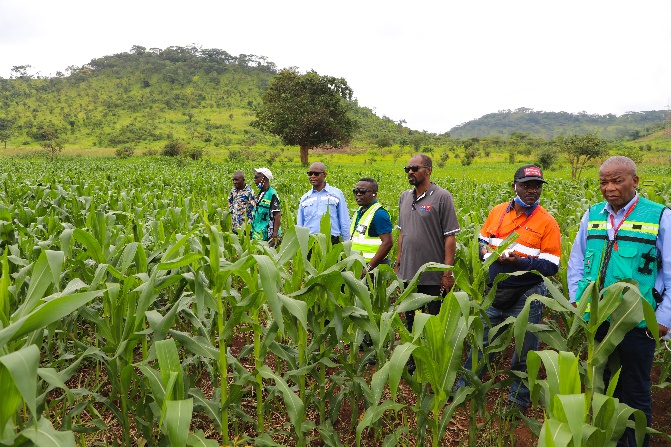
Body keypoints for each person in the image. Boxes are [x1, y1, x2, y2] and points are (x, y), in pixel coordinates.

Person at [568, 156, 671, 447]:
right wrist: (578, 300)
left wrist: (662, 320)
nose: (609, 188)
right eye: (604, 182)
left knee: (635, 392)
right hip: (597, 321)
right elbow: (577, 261)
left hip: (637, 323)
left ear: (634, 181)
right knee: (601, 385)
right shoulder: (592, 215)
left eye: (617, 180)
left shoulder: (660, 216)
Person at [455, 165, 561, 412]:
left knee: (525, 347)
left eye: (536, 186)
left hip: (528, 295)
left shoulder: (547, 222)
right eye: (526, 185)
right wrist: (484, 252)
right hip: (495, 290)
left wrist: (520, 262)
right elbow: (483, 240)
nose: (532, 190)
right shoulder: (498, 212)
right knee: (482, 341)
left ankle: (517, 400)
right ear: (514, 185)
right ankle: (465, 387)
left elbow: (553, 265)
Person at [394, 154, 460, 373]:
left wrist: (447, 273)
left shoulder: (442, 197)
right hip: (408, 272)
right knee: (410, 318)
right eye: (407, 168)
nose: (410, 172)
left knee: (433, 321)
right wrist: (398, 261)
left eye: (415, 168)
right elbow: (402, 233)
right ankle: (413, 357)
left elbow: (450, 237)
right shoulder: (404, 197)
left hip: (433, 274)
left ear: (428, 170)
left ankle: (433, 361)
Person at [297, 162, 351, 245]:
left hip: (331, 240)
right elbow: (300, 224)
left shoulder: (336, 194)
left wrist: (346, 241)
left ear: (324, 174)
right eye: (310, 174)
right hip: (310, 240)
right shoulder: (305, 198)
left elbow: (344, 219)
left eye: (316, 174)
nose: (312, 176)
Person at [350, 177, 393, 276]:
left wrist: (369, 267)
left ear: (374, 194)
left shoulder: (379, 214)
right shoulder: (359, 212)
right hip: (358, 265)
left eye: (363, 192)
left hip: (373, 268)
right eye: (356, 191)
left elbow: (388, 242)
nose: (358, 194)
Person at [251, 167, 281, 247]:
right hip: (258, 233)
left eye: (257, 177)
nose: (255, 180)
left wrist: (274, 235)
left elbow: (277, 215)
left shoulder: (272, 194)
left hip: (268, 236)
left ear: (264, 178)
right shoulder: (261, 193)